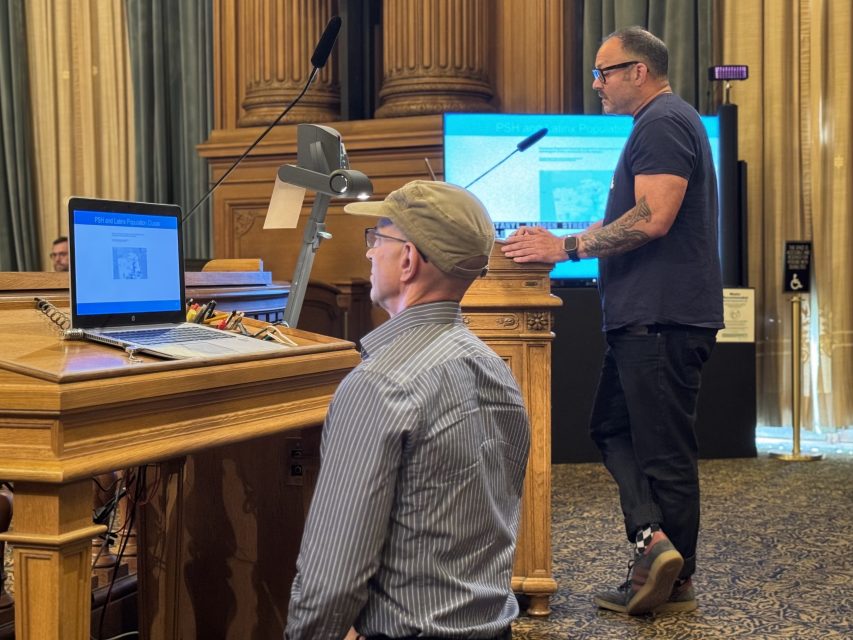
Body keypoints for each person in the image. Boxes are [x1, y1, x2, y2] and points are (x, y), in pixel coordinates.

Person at [501, 26, 723, 616]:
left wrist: (564, 247)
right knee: (611, 428)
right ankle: (655, 543)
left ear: (638, 72)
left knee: (664, 452)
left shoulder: (661, 122)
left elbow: (653, 218)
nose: (596, 84)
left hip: (660, 319)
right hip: (646, 319)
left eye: (605, 71)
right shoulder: (661, 122)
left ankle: (672, 580)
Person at [285, 180, 530, 640]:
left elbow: (331, 578)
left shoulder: (377, 386)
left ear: (408, 259)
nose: (369, 253)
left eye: (376, 238)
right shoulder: (498, 371)